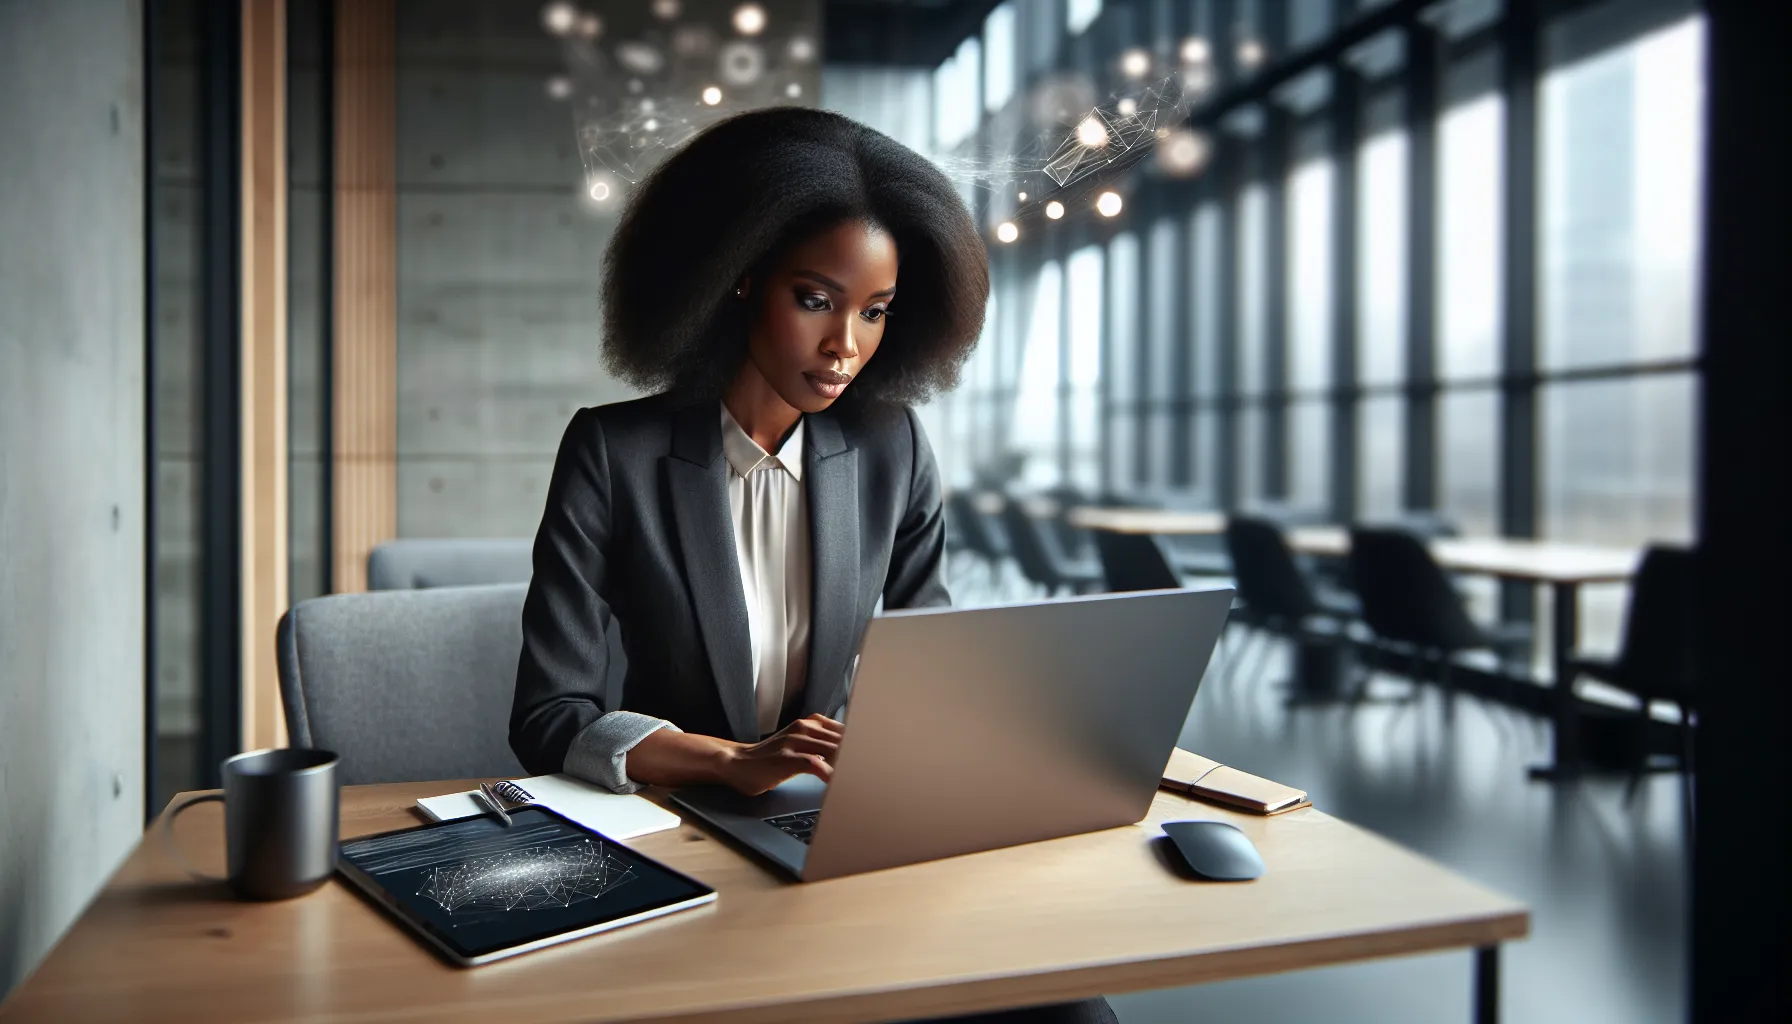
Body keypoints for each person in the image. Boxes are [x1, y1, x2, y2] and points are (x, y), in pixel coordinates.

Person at [510, 108, 1114, 1024]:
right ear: (740, 279)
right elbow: (550, 716)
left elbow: (931, 669)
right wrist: (730, 760)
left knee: (1066, 1005)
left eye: (876, 312)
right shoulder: (612, 453)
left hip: (839, 833)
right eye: (816, 299)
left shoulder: (890, 449)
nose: (847, 347)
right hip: (684, 841)